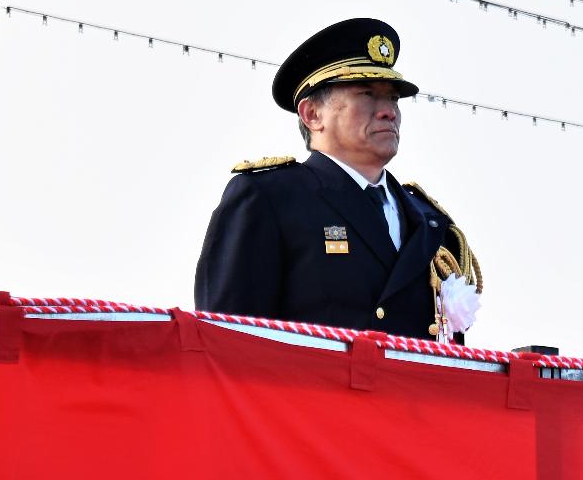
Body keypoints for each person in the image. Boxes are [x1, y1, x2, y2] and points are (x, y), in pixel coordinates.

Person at [194, 18, 481, 342]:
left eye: (392, 98)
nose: (388, 111)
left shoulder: (429, 219)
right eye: (367, 94)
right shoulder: (270, 197)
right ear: (312, 114)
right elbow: (227, 341)